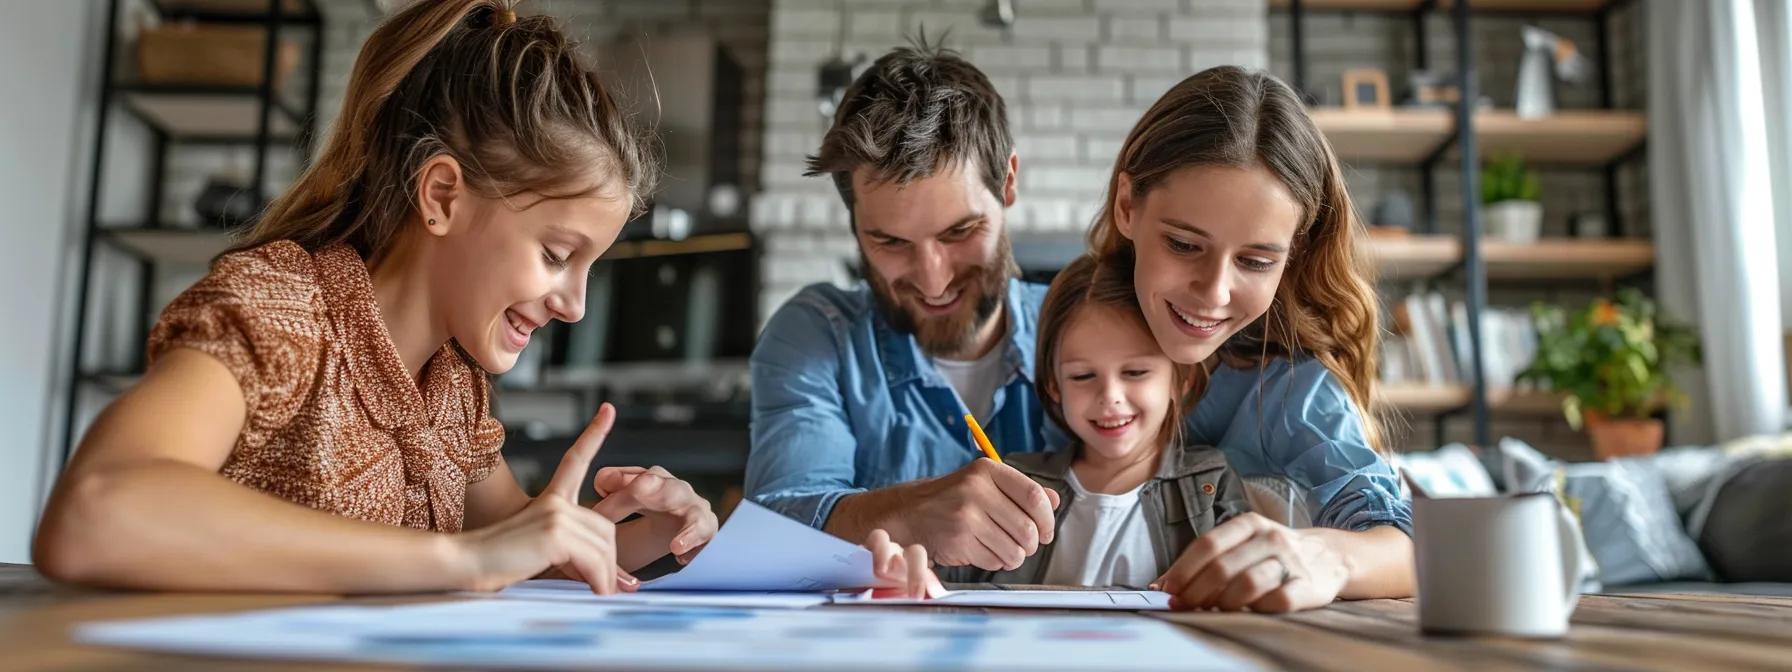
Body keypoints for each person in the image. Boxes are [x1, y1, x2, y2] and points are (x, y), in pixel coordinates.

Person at [32, 0, 716, 595]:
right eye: (556, 256)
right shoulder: (283, 312)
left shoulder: (453, 386)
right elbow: (97, 513)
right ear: (443, 196)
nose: (576, 306)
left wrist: (639, 534)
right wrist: (460, 558)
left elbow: (515, 552)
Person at [1087, 65, 1415, 612]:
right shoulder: (1057, 330)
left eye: (1256, 261)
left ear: (1294, 255)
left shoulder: (1288, 393)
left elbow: (1404, 546)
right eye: (1185, 245)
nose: (1214, 293)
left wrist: (1325, 557)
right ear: (1127, 206)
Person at [746, 42, 1068, 573]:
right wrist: (909, 514)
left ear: (1008, 182)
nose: (932, 278)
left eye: (960, 231)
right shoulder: (817, 334)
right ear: (854, 228)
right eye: (890, 243)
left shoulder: (1084, 324)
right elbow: (773, 529)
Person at [871, 254, 1250, 598]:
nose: (1110, 396)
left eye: (1135, 372)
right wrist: (913, 574)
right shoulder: (1013, 481)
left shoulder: (1210, 482)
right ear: (1053, 386)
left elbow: (1244, 591)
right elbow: (949, 586)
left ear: (1180, 381)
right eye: (1083, 376)